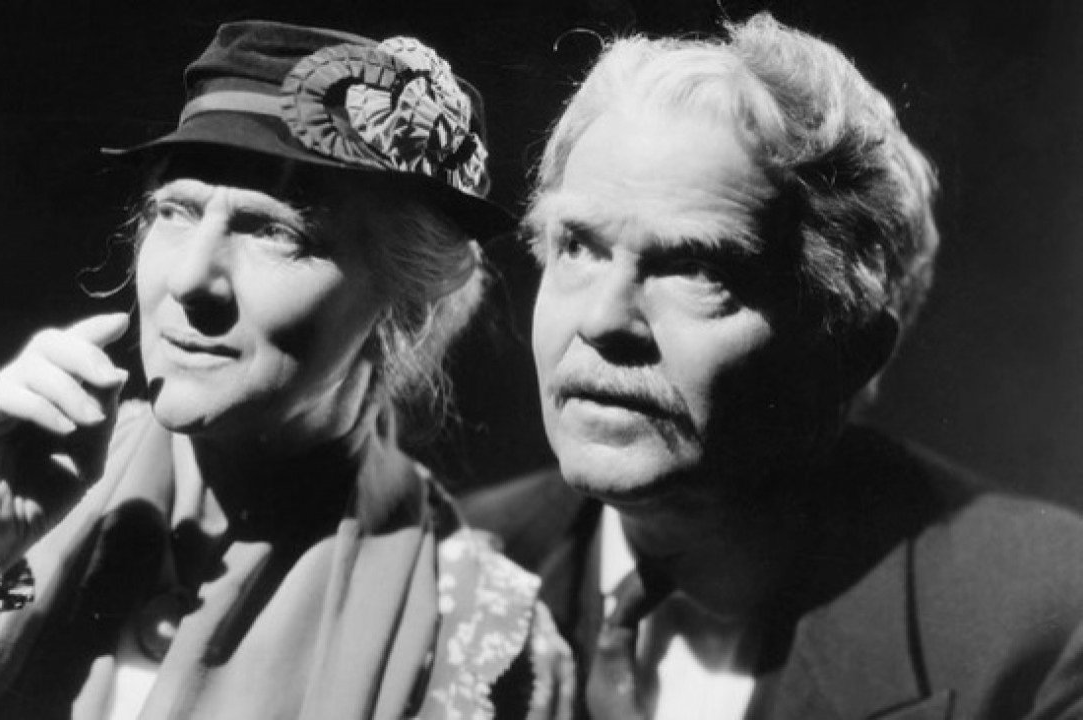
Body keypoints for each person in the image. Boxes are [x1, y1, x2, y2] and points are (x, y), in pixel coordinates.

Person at [0, 20, 573, 720]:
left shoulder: (473, 629)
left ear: (404, 302)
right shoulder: (40, 482)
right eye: (173, 211)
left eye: (276, 231)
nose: (191, 278)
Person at [462, 12, 1083, 720]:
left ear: (850, 350)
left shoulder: (1043, 626)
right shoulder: (445, 567)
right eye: (577, 247)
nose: (603, 321)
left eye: (695, 268)